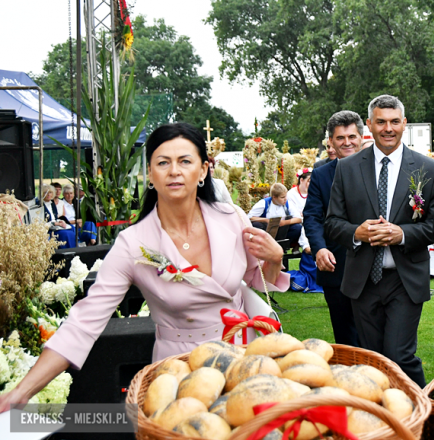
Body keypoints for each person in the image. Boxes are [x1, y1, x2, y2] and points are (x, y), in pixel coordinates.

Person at [0, 123, 288, 412]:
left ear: (202, 171)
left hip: (242, 358)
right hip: (179, 373)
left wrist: (274, 259)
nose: (174, 170)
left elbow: (256, 278)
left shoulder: (232, 218)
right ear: (150, 173)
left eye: (185, 161)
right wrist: (21, 391)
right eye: (163, 162)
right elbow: (82, 324)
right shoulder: (134, 244)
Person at [325, 95, 434, 387]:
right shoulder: (347, 168)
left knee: (399, 355)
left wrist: (402, 233)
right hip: (363, 280)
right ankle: (386, 420)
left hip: (405, 279)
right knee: (372, 360)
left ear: (404, 124)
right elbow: (332, 223)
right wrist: (357, 233)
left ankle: (423, 413)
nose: (388, 128)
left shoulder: (428, 169)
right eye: (381, 122)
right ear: (369, 125)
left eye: (394, 121)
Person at [303, 110, 363, 347]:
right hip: (335, 266)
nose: (346, 142)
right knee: (345, 335)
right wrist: (319, 248)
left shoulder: (378, 169)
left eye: (351, 136)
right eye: (340, 138)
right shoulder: (320, 175)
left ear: (361, 137)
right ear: (331, 141)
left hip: (373, 268)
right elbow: (312, 216)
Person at [287, 168, 322, 293]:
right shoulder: (291, 194)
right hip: (300, 224)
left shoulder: (315, 192)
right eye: (308, 181)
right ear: (301, 180)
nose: (311, 184)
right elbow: (295, 214)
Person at [247, 183, 302, 248]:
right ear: (274, 197)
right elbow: (250, 217)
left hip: (283, 231)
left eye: (285, 196)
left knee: (297, 228)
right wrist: (266, 220)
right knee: (256, 225)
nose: (285, 199)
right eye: (282, 197)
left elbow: (299, 218)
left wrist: (285, 222)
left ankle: (283, 246)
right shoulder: (264, 203)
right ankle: (264, 245)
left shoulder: (288, 204)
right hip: (267, 231)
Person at [39, 184, 76, 249]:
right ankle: (67, 253)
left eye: (50, 192)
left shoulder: (52, 204)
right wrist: (55, 223)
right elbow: (41, 224)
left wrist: (61, 221)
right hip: (48, 230)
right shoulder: (40, 206)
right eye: (46, 192)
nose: (48, 194)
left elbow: (55, 218)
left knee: (71, 229)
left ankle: (75, 251)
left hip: (56, 227)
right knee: (66, 234)